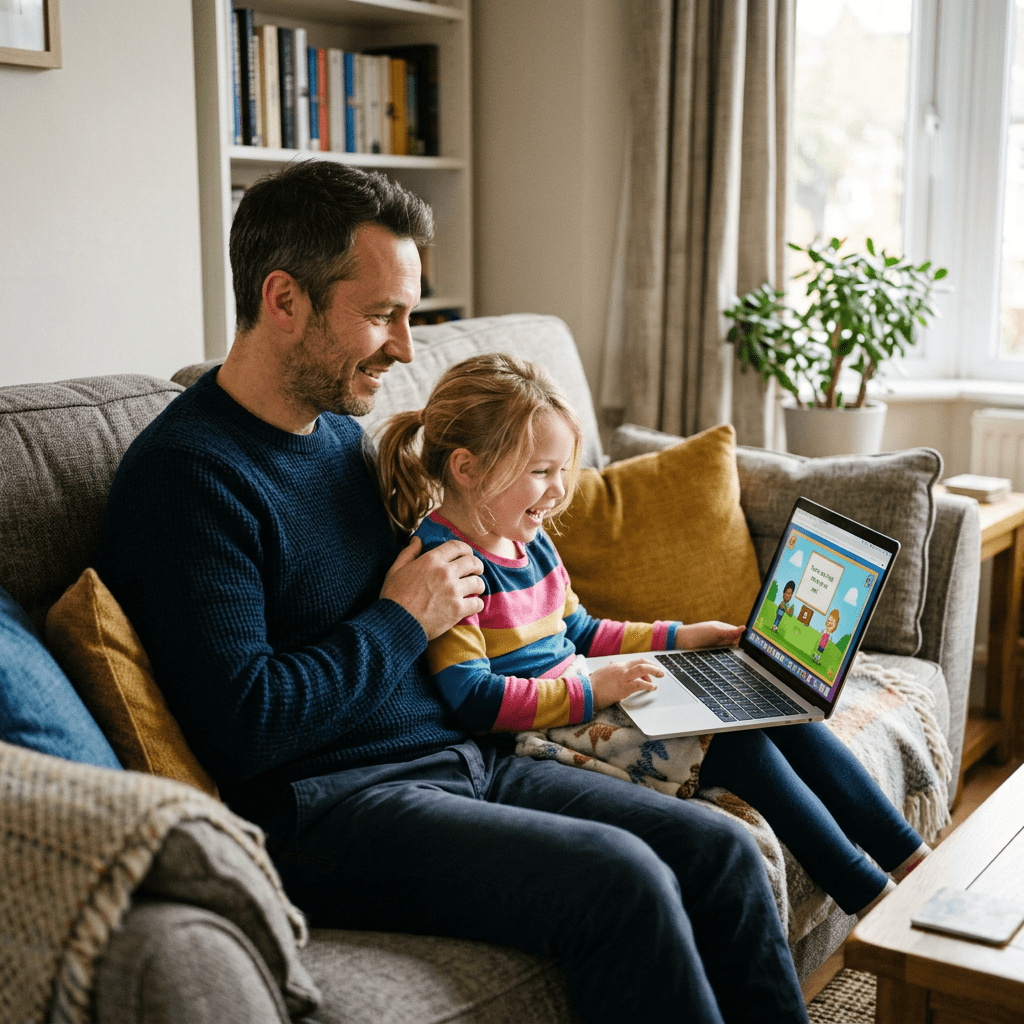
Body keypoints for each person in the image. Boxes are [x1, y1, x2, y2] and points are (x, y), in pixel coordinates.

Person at [96, 159, 810, 1024]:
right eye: (383, 315)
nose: (405, 347)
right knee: (625, 883)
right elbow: (246, 725)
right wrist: (402, 620)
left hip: (468, 758)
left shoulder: (340, 442)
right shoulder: (188, 479)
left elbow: (492, 564)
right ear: (283, 300)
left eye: (409, 315)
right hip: (334, 811)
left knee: (721, 851)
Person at [374, 351, 931, 920]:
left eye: (563, 469)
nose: (558, 490)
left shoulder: (526, 536)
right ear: (467, 469)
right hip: (540, 731)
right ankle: (870, 896)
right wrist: (598, 690)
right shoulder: (448, 569)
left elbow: (581, 630)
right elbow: (475, 699)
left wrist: (683, 636)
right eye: (541, 472)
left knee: (782, 710)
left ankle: (912, 859)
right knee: (739, 744)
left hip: (587, 691)